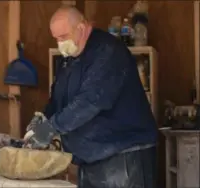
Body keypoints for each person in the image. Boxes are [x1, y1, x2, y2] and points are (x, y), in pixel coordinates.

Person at [25, 5, 157, 188]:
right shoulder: (70, 58)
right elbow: (58, 99)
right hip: (92, 158)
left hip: (123, 156)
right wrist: (42, 118)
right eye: (56, 38)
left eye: (63, 37)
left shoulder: (108, 52)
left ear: (81, 28)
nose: (60, 44)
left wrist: (51, 127)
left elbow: (90, 101)